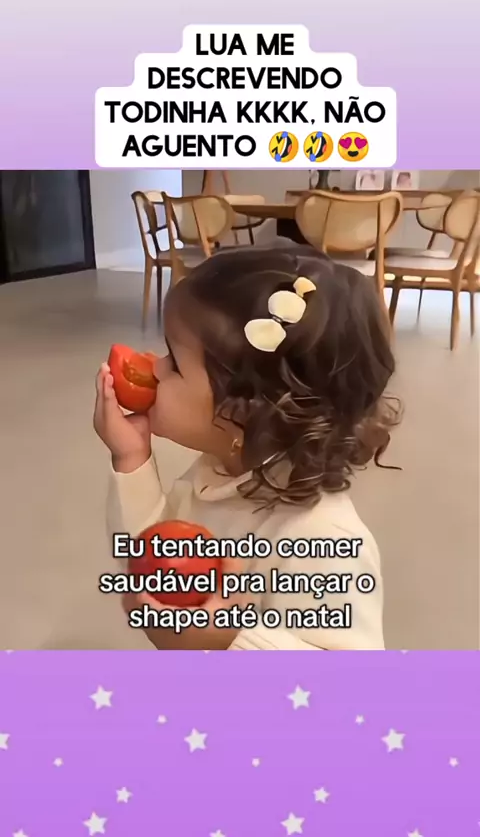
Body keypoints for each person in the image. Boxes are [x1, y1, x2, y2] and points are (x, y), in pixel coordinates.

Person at [94, 245, 400, 651]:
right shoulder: (217, 472)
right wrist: (132, 457)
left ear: (246, 408)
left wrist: (231, 639)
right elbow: (151, 562)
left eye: (175, 363)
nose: (155, 366)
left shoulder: (323, 538)